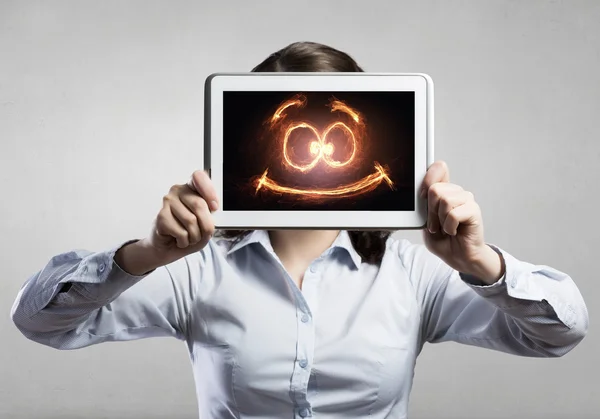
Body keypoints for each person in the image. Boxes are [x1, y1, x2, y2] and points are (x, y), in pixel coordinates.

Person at [11, 42, 588, 419]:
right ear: (260, 143)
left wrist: (481, 261)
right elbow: (38, 321)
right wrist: (145, 254)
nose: (315, 160)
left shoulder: (413, 275)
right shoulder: (196, 272)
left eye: (335, 134)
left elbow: (560, 333)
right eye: (292, 132)